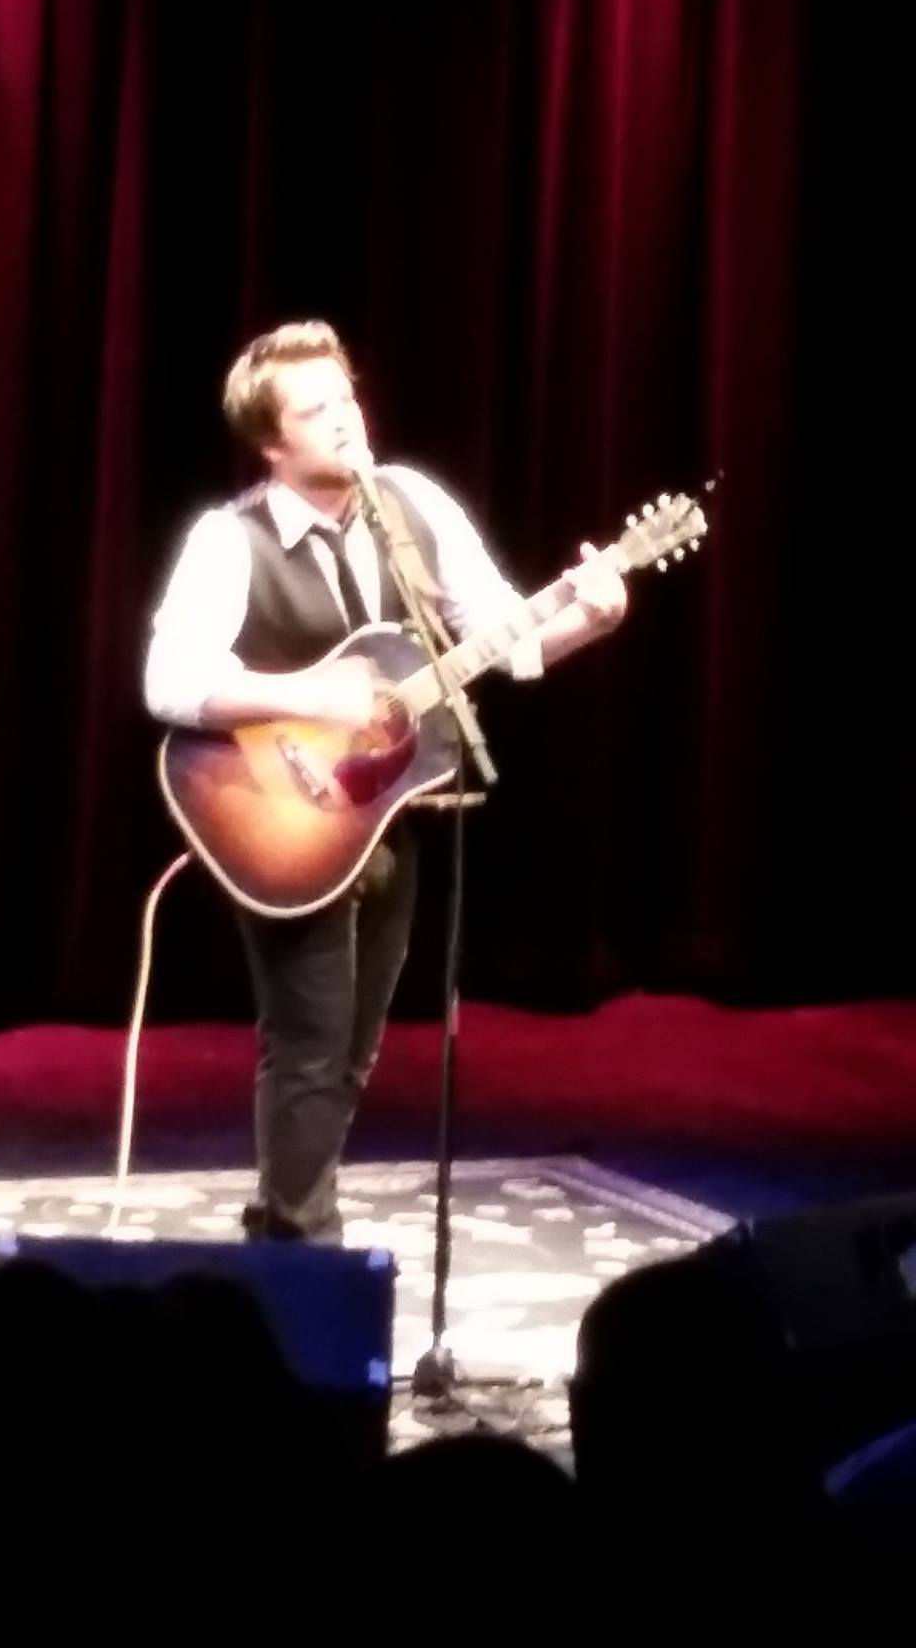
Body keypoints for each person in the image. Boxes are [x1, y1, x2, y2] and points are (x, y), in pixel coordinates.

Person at [143, 320, 627, 1244]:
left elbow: (503, 640)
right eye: (314, 410)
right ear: (272, 443)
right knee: (311, 1043)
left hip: (384, 816)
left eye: (347, 398)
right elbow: (168, 681)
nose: (344, 419)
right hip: (281, 812)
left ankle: (281, 1227)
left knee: (355, 1047)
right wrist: (307, 693)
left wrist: (586, 618)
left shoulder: (411, 506)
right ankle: (304, 1251)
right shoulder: (228, 539)